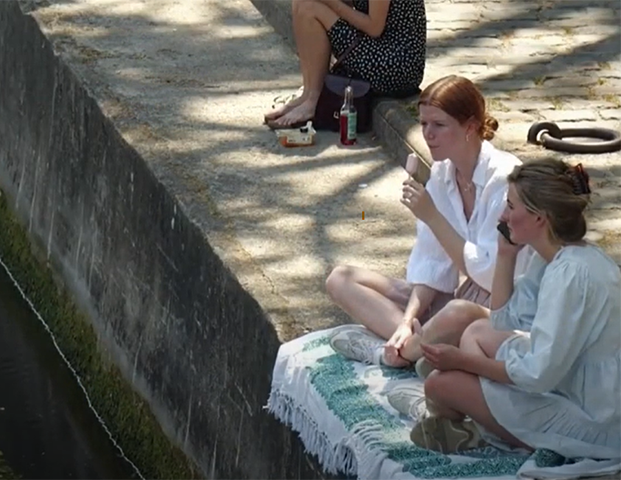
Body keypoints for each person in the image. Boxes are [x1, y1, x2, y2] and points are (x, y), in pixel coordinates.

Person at [410, 159, 621, 460]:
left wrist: (465, 362)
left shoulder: (571, 274)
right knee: (478, 330)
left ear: (539, 218)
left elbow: (538, 375)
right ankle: (478, 419)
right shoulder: (556, 255)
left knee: (439, 384)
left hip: (598, 418)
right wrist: (505, 255)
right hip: (571, 383)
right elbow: (502, 319)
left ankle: (488, 430)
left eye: (511, 206)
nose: (502, 215)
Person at [326, 75, 531, 371]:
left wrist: (432, 216)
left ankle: (392, 354)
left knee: (455, 314)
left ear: (470, 127)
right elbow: (431, 264)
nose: (428, 134)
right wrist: (408, 320)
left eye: (438, 125)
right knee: (340, 279)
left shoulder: (503, 179)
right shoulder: (443, 172)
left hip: (500, 307)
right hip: (459, 296)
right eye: (423, 124)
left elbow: (490, 274)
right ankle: (413, 343)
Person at [264, 0, 426, 129]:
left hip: (396, 64)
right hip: (379, 47)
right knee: (302, 2)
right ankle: (308, 94)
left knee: (311, 8)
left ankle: (314, 100)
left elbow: (374, 27)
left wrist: (332, 3)